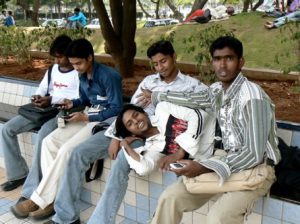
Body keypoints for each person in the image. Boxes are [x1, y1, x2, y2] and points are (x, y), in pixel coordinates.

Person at [47, 40, 207, 224]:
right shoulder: (149, 81)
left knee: (122, 161)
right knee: (77, 153)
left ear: (174, 57)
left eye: (163, 61)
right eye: (155, 64)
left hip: (156, 138)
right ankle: (65, 217)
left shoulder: (192, 86)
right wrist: (117, 136)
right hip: (129, 130)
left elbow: (202, 114)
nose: (160, 67)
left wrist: (181, 149)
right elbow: (129, 110)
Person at [145, 36, 281, 224]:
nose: (222, 65)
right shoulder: (217, 90)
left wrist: (201, 167)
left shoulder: (253, 98)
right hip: (221, 158)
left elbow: (253, 154)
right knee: (169, 198)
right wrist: (157, 95)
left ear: (241, 61)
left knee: (217, 219)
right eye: (217, 59)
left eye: (229, 58)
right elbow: (192, 99)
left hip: (256, 168)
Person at [10, 38, 123, 221]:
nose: (76, 67)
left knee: (66, 150)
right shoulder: (82, 74)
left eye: (79, 63)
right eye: (73, 64)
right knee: (49, 142)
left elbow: (117, 108)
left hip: (105, 120)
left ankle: (38, 200)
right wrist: (72, 103)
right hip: (88, 114)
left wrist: (87, 117)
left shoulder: (109, 76)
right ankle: (51, 199)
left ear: (90, 57)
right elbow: (86, 100)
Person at [0, 35, 79, 193]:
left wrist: (53, 99)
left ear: (69, 54)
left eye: (60, 57)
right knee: (7, 129)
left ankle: (35, 186)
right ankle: (17, 174)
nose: (57, 61)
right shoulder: (53, 69)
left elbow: (79, 98)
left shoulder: (78, 72)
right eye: (55, 58)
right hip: (44, 110)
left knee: (43, 136)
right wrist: (38, 97)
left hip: (64, 112)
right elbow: (43, 88)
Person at [114, 102, 215, 176]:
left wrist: (181, 152)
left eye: (136, 115)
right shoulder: (153, 148)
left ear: (144, 113)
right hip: (216, 155)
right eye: (130, 124)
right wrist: (125, 146)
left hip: (222, 130)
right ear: (131, 134)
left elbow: (199, 115)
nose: (135, 121)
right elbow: (143, 169)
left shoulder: (163, 109)